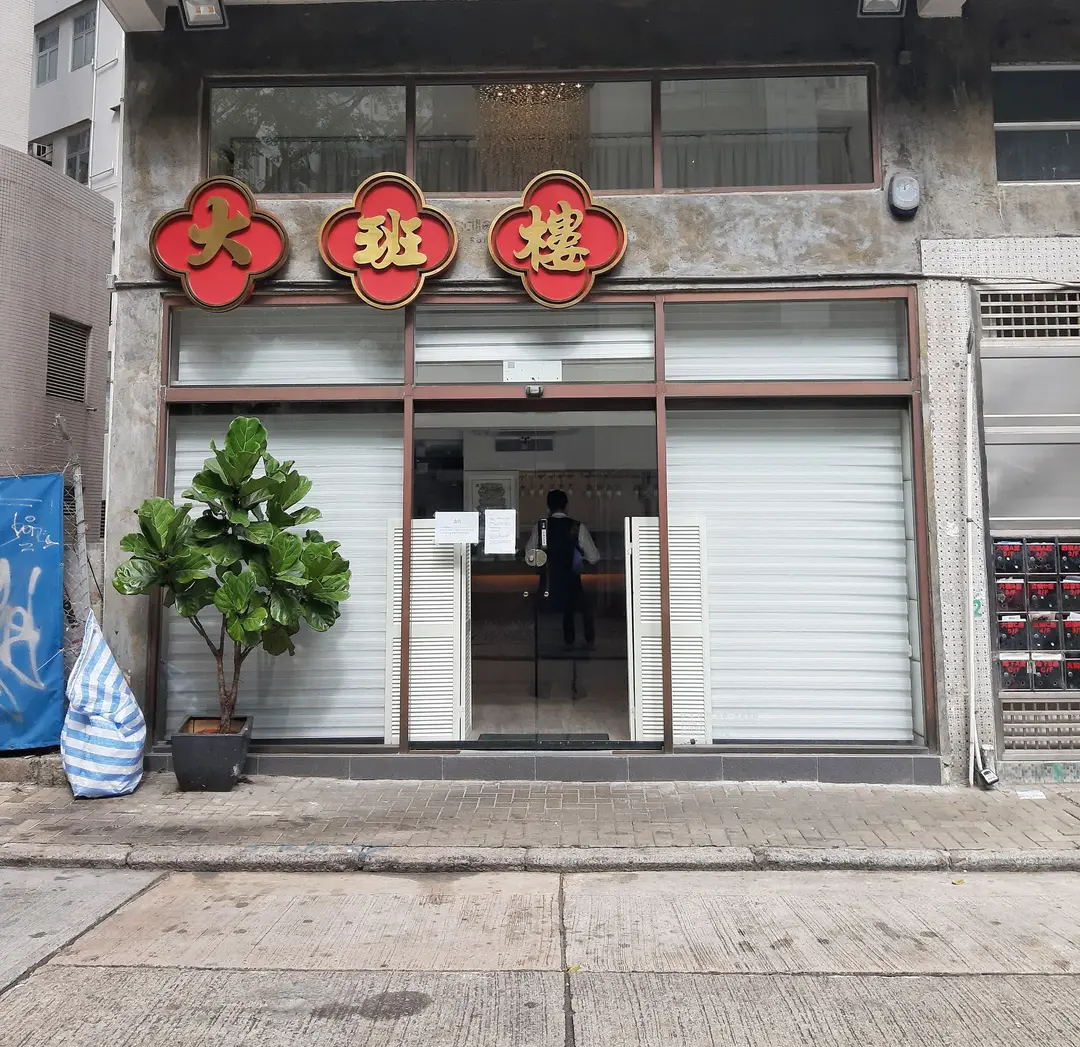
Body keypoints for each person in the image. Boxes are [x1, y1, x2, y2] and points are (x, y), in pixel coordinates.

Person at [526, 489, 599, 648]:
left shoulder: (541, 527)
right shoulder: (577, 527)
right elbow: (594, 557)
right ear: (567, 506)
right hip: (572, 583)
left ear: (548, 507)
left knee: (540, 610)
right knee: (582, 609)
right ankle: (584, 642)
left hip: (548, 583)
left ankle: (545, 645)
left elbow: (530, 558)